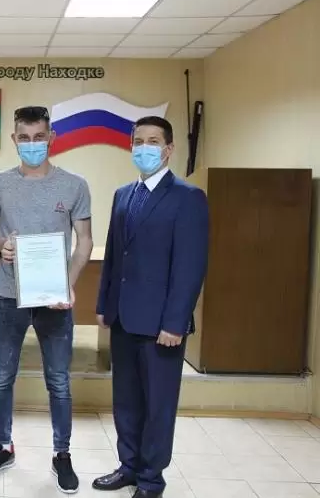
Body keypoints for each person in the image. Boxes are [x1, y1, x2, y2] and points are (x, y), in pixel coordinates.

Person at [0, 105, 93, 494]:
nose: (32, 144)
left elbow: (84, 241)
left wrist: (68, 284)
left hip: (54, 301)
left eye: (39, 137)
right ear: (14, 139)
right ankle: (3, 445)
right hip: (7, 297)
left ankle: (62, 453)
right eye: (24, 138)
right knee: (1, 376)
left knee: (58, 379)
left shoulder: (74, 185)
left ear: (51, 137)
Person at [93, 116, 209, 498]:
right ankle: (128, 466)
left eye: (153, 141)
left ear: (169, 149)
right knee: (126, 401)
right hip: (123, 318)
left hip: (162, 325)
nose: (144, 147)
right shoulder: (123, 194)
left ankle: (150, 479)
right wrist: (104, 304)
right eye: (138, 141)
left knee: (158, 405)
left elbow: (190, 267)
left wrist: (176, 322)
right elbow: (114, 257)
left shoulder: (187, 197)